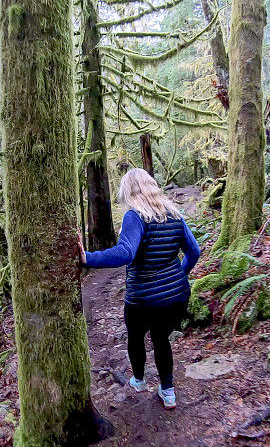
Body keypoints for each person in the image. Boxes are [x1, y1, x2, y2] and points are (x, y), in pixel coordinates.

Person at [78, 168, 201, 410]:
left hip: (143, 298)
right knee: (161, 339)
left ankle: (139, 380)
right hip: (175, 297)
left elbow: (125, 253)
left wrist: (88, 258)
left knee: (135, 337)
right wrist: (179, 276)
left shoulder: (135, 216)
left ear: (129, 191)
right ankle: (168, 391)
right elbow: (194, 251)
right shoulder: (174, 214)